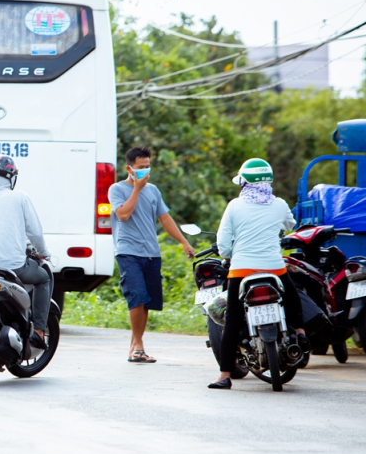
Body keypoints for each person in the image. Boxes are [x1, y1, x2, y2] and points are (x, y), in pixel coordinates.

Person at [208, 158, 307, 390]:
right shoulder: (279, 204)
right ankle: (301, 332)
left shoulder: (234, 206)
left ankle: (224, 375)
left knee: (232, 319)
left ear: (245, 183)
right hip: (274, 267)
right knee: (292, 297)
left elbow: (222, 244)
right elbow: (290, 225)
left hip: (241, 269)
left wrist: (232, 252)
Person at [109, 146, 195, 363]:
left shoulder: (154, 191)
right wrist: (137, 188)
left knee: (146, 301)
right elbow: (124, 215)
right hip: (128, 251)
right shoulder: (117, 189)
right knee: (136, 295)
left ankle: (135, 345)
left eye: (147, 167)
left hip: (151, 253)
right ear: (129, 168)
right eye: (140, 168)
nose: (145, 171)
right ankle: (138, 346)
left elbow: (165, 219)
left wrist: (184, 242)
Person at [0, 155, 52, 348]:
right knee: (44, 278)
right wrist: (43, 252)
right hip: (13, 267)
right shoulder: (20, 197)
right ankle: (39, 331)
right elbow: (35, 232)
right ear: (12, 176)